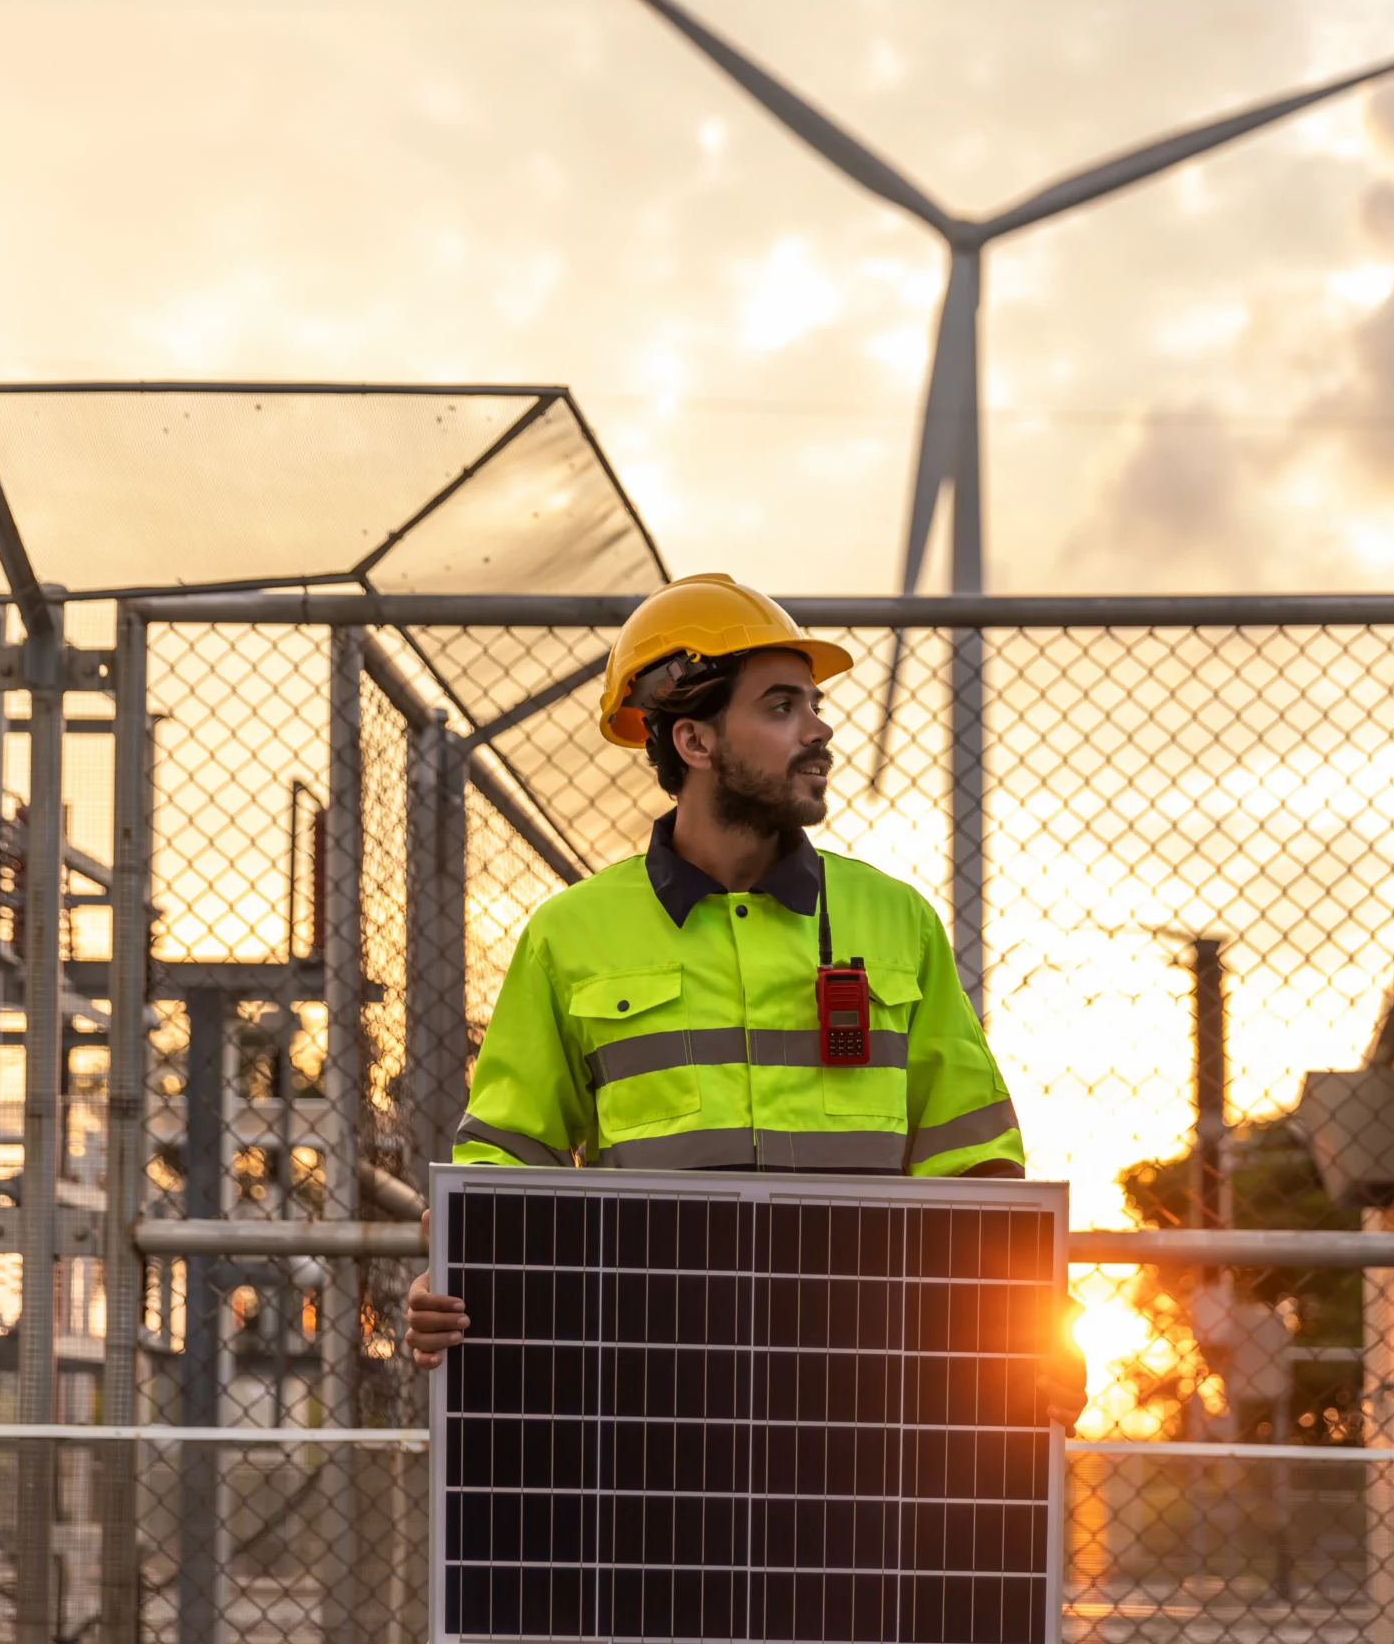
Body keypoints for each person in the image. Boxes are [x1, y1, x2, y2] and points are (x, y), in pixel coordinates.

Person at [405, 572, 1086, 1437]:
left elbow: (977, 1164)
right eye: (781, 707)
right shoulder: (570, 935)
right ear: (693, 739)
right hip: (651, 1392)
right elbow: (504, 1162)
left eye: (813, 704)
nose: (820, 729)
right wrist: (452, 1274)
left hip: (871, 1391)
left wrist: (1038, 1331)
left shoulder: (897, 921)